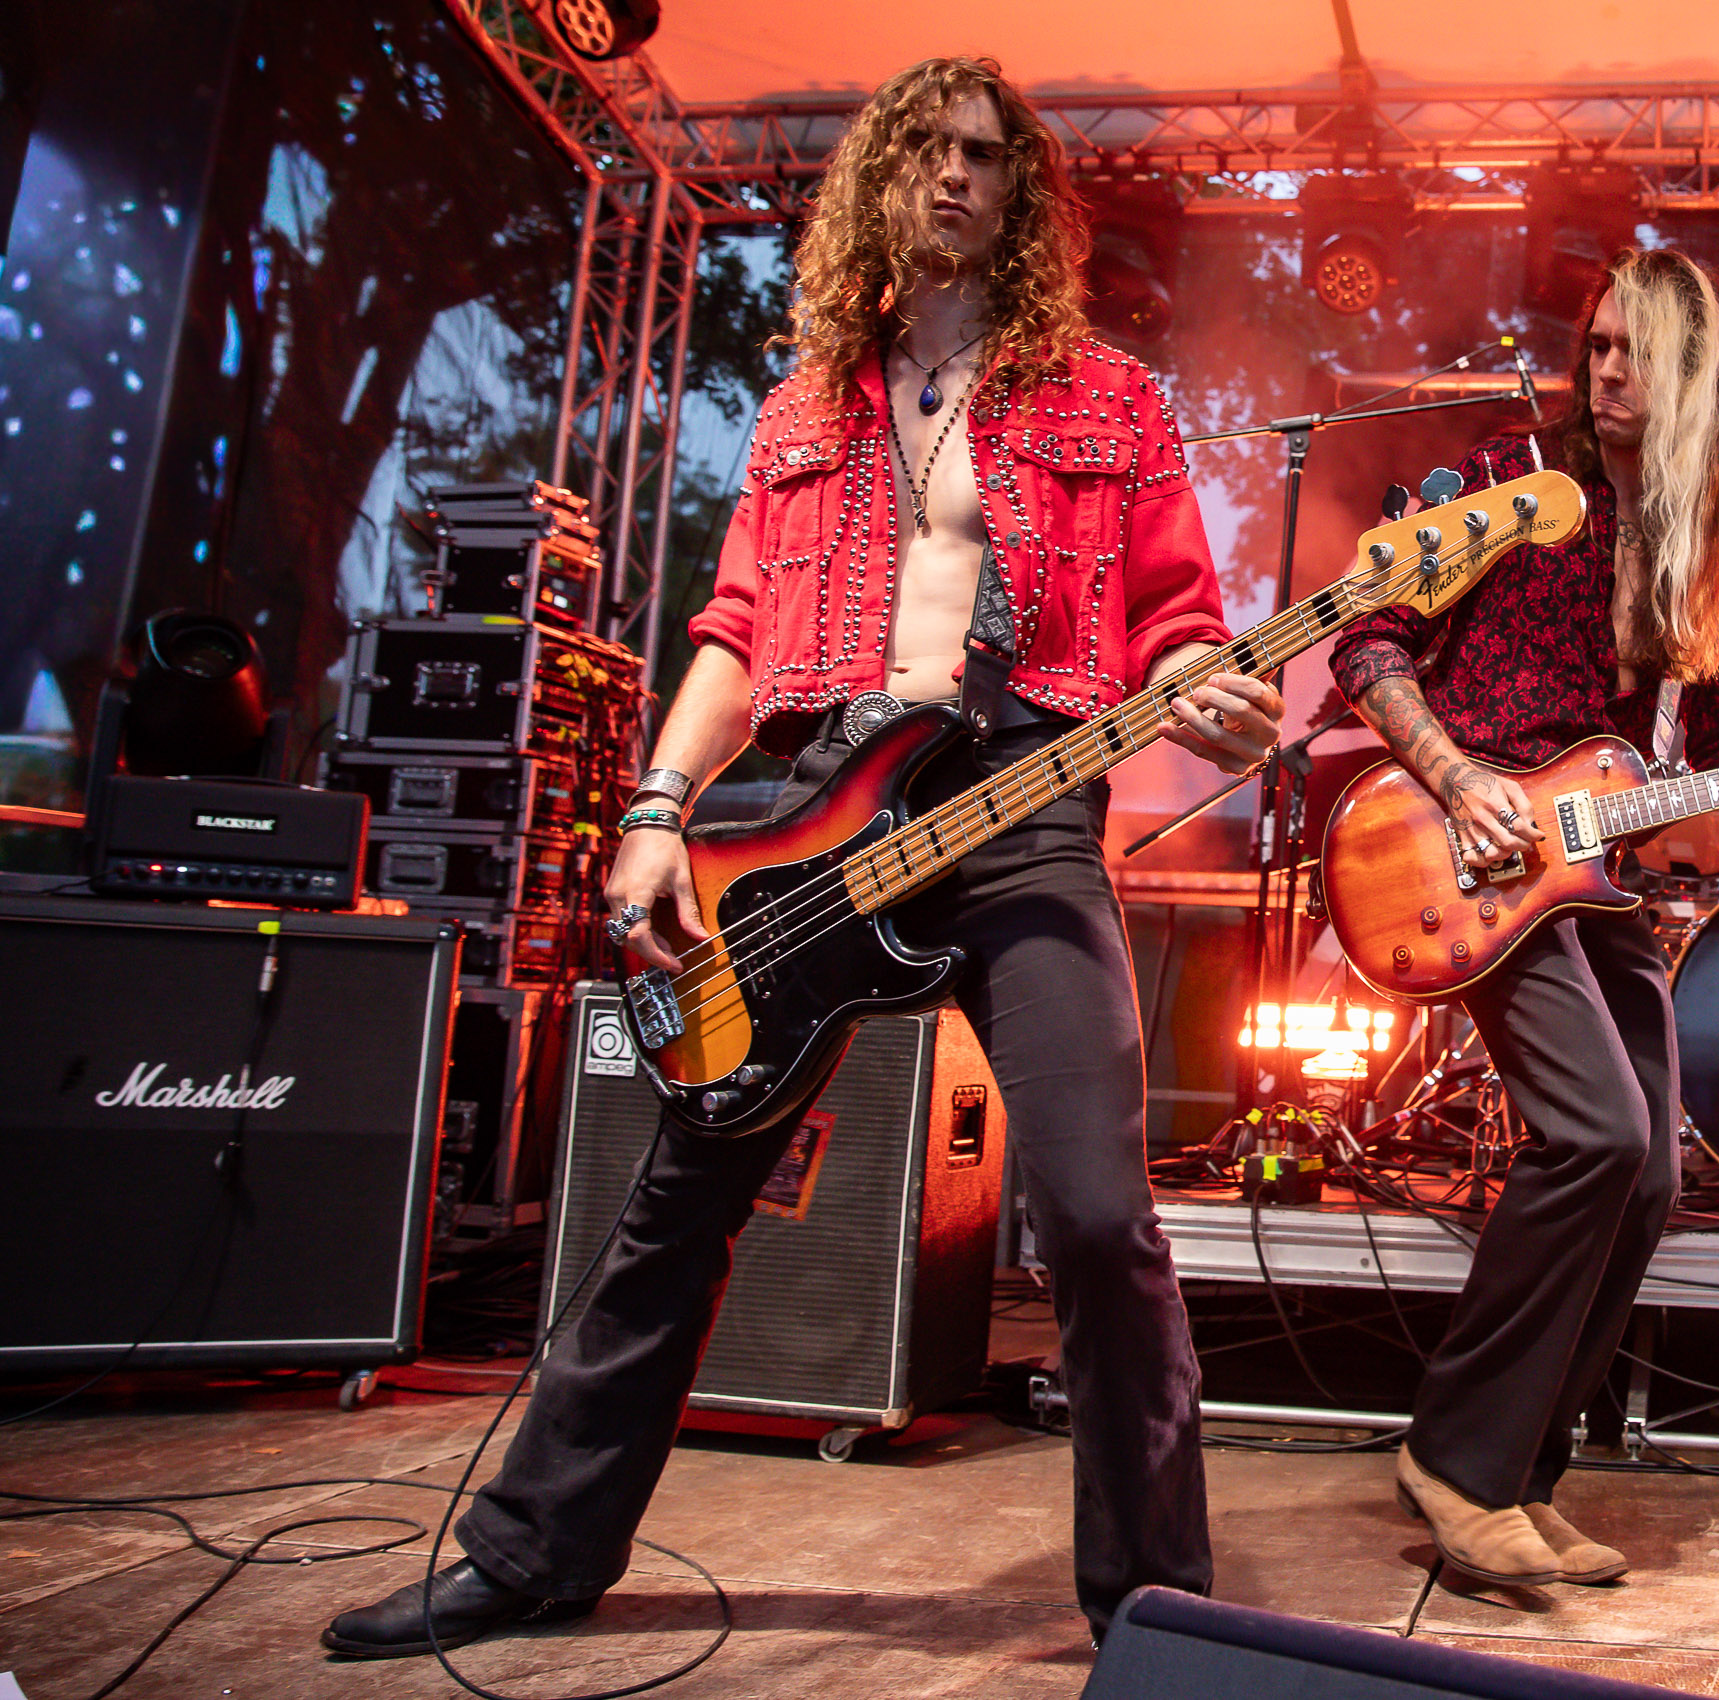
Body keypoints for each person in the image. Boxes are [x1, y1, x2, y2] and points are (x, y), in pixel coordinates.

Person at [321, 56, 1281, 1657]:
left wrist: (1205, 689)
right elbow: (730, 630)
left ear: (1022, 196)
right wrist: (654, 810)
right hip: (820, 815)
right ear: (882, 181)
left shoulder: (1105, 396)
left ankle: (1152, 1605)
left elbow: (1177, 617)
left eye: (988, 155)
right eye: (929, 151)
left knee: (1098, 1216)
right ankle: (534, 1553)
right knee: (679, 1193)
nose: (958, 175)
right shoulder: (802, 407)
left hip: (1022, 806)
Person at [1328, 249, 1719, 1587]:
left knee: (1650, 1170)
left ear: (1694, 377)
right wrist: (1455, 778)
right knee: (1598, 1132)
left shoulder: (1715, 560)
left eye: (1635, 352)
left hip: (1590, 872)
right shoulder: (1509, 482)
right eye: (1599, 345)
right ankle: (1456, 1461)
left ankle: (1518, 1476)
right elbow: (1366, 640)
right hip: (1468, 853)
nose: (1605, 371)